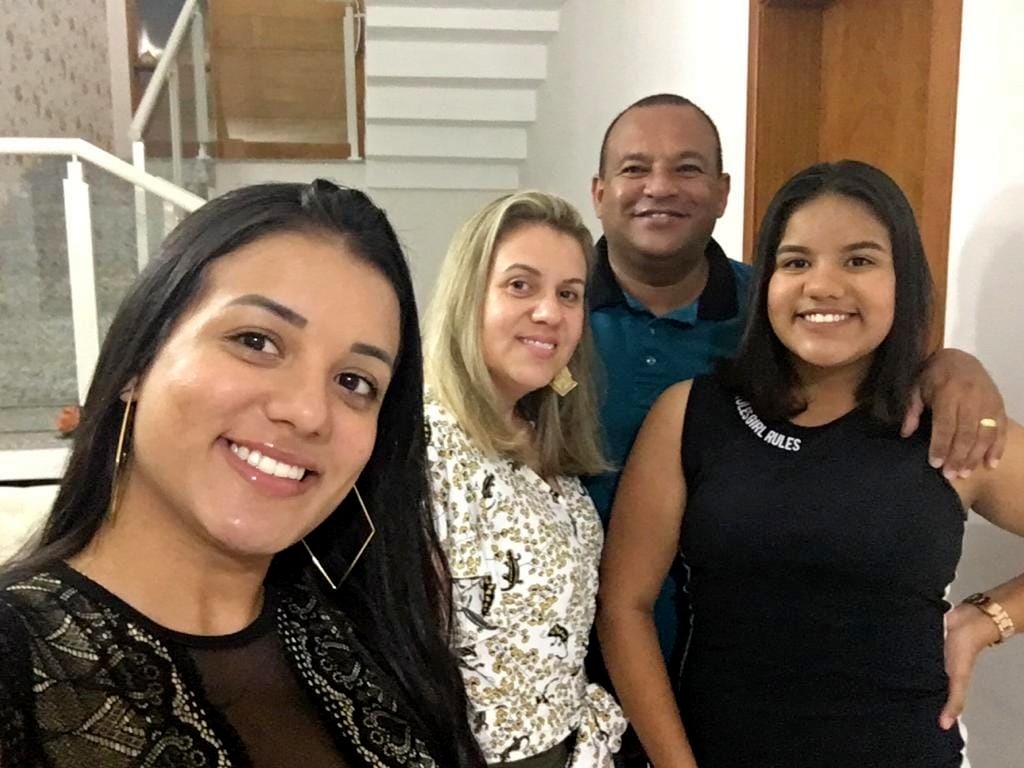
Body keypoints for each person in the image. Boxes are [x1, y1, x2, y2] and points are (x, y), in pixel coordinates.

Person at [0, 180, 485, 768]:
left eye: (354, 381)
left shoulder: (378, 644)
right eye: (257, 341)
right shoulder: (18, 662)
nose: (307, 412)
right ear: (137, 361)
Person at [597, 160, 1024, 768]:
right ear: (765, 281)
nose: (822, 286)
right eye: (796, 262)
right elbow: (625, 607)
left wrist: (988, 619)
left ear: (903, 280)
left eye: (859, 260)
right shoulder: (690, 415)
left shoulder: (950, 427)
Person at [423, 191, 627, 767]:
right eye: (520, 285)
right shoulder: (419, 443)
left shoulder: (539, 434)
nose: (549, 313)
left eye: (569, 294)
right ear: (469, 296)